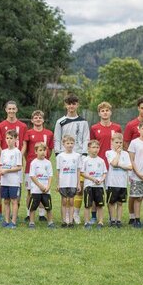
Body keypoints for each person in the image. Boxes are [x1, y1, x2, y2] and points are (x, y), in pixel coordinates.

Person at [53, 94, 89, 225]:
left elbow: (86, 138)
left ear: (77, 105)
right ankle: (66, 216)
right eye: (69, 104)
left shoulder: (83, 121)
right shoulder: (60, 121)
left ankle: (76, 214)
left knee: (78, 186)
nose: (71, 106)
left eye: (74, 103)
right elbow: (57, 138)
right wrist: (58, 154)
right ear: (65, 105)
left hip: (78, 157)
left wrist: (83, 155)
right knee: (65, 187)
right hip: (65, 157)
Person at [0, 101, 28, 219]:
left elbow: (24, 144)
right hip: (4, 160)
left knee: (17, 186)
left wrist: (18, 155)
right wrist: (3, 154)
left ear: (17, 110)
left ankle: (15, 214)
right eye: (9, 109)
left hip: (16, 161)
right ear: (6, 110)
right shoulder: (0, 125)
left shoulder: (23, 126)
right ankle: (0, 213)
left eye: (13, 109)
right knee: (0, 186)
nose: (11, 111)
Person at [22, 110, 54, 221]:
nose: (38, 119)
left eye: (40, 117)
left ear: (43, 119)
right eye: (35, 117)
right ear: (32, 120)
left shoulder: (49, 133)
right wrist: (29, 161)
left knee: (43, 191)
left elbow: (50, 149)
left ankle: (41, 214)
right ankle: (28, 213)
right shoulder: (28, 132)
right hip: (31, 166)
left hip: (44, 167)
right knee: (30, 191)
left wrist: (45, 162)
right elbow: (25, 150)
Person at [105, 133, 133, 227]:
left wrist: (120, 165)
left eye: (120, 142)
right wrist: (118, 153)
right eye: (116, 142)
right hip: (112, 182)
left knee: (120, 203)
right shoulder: (109, 153)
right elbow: (113, 163)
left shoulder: (126, 154)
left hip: (122, 183)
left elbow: (130, 167)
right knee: (112, 202)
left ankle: (119, 220)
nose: (119, 144)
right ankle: (112, 220)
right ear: (112, 142)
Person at [0, 130, 23, 228]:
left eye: (11, 138)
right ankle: (6, 220)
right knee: (6, 201)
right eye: (7, 138)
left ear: (16, 139)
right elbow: (1, 166)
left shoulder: (17, 152)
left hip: (14, 182)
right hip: (4, 181)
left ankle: (13, 222)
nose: (9, 140)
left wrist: (6, 171)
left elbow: (19, 167)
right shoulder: (3, 152)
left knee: (14, 201)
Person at [26, 142, 54, 228]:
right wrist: (40, 186)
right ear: (36, 152)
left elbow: (50, 175)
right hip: (36, 190)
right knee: (33, 207)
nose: (43, 152)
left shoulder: (48, 163)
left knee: (48, 207)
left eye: (44, 150)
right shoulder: (34, 163)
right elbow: (32, 176)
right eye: (40, 150)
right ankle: (31, 222)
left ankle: (50, 222)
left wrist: (48, 186)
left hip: (46, 190)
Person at [56, 134, 81, 227]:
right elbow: (58, 171)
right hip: (63, 183)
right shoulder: (60, 156)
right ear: (63, 144)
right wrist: (58, 183)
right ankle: (63, 221)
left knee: (71, 202)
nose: (70, 145)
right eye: (68, 143)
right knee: (63, 201)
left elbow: (78, 170)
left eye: (71, 143)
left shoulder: (77, 156)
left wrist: (78, 184)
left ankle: (70, 221)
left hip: (73, 183)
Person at [81, 140, 107, 227]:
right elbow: (82, 172)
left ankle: (100, 222)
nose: (95, 149)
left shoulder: (101, 161)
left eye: (97, 147)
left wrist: (102, 179)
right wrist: (92, 179)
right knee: (88, 205)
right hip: (89, 186)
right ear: (88, 149)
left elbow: (104, 173)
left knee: (100, 205)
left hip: (99, 186)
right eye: (93, 147)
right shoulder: (85, 160)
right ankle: (87, 222)